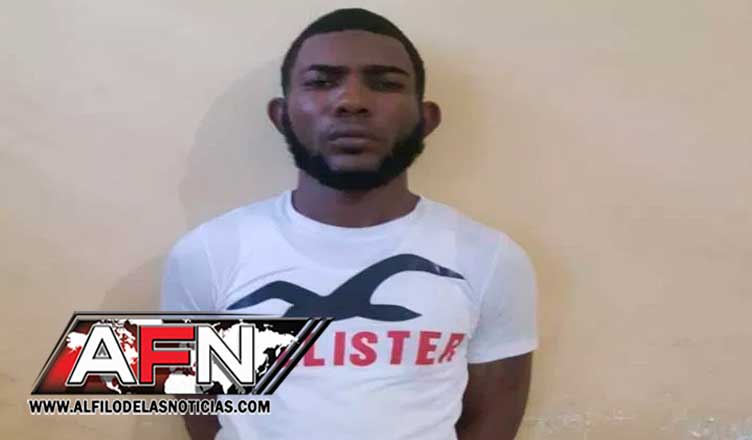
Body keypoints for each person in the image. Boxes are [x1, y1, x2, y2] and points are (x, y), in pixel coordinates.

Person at [161, 7, 538, 440]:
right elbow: (201, 411)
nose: (351, 101)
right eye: (321, 81)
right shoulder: (205, 254)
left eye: (386, 83)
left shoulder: (490, 258)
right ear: (281, 116)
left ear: (426, 119)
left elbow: (494, 414)